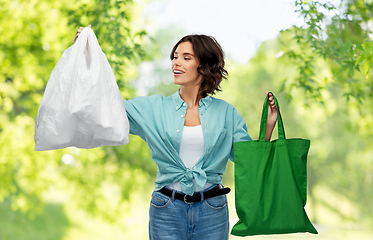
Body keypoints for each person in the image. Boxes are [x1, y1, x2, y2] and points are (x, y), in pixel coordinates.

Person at [74, 27, 278, 240]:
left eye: (186, 57)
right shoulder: (153, 108)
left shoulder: (226, 113)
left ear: (204, 65)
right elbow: (105, 107)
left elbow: (250, 161)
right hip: (166, 209)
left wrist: (269, 126)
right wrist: (88, 57)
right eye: (174, 57)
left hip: (212, 209)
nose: (175, 63)